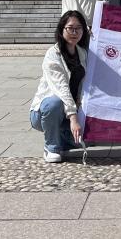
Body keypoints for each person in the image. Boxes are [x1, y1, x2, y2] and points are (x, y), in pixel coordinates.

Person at [29, 10, 89, 163]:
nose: (74, 32)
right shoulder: (53, 54)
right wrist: (74, 118)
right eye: (70, 28)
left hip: (70, 110)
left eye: (79, 28)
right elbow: (62, 89)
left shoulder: (82, 53)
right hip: (45, 112)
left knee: (82, 140)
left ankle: (62, 137)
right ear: (62, 30)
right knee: (55, 102)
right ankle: (51, 147)